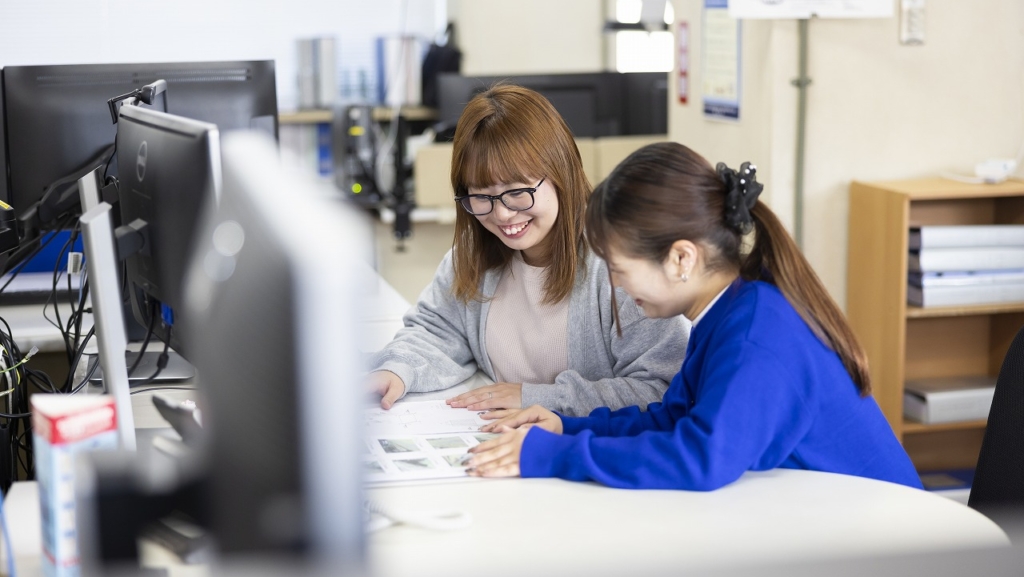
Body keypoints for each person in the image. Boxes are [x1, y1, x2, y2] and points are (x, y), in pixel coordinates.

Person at [465, 141, 922, 490]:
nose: (616, 287)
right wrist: (568, 426)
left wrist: (555, 455)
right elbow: (675, 418)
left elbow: (700, 457)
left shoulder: (756, 333)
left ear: (681, 259)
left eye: (621, 270)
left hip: (884, 545)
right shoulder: (731, 309)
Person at [366, 85, 688, 417]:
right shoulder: (474, 252)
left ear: (561, 172)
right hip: (500, 445)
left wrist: (538, 397)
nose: (503, 214)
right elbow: (437, 331)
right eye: (482, 196)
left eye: (517, 192)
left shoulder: (620, 265)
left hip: (576, 454)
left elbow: (662, 388)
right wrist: (397, 369)